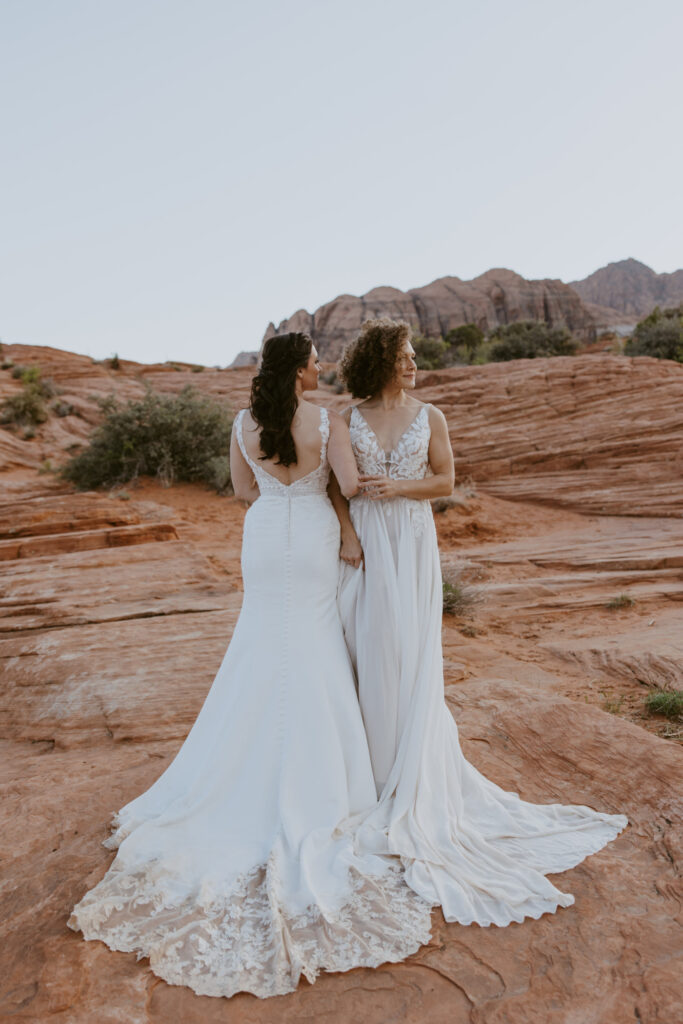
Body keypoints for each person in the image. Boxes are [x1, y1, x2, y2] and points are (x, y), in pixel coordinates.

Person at [68, 332, 431, 999]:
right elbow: (347, 485)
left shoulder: (243, 422)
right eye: (315, 359)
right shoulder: (326, 420)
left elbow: (241, 491)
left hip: (264, 536)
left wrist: (282, 491)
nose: (321, 366)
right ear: (300, 371)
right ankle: (325, 784)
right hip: (314, 538)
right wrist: (358, 521)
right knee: (315, 646)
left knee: (260, 642)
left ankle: (238, 769)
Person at [332, 317, 629, 927]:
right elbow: (335, 488)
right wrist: (346, 532)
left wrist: (402, 487)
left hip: (411, 538)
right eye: (405, 355)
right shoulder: (346, 416)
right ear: (380, 359)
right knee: (365, 645)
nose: (414, 363)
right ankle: (365, 775)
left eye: (415, 354)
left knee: (409, 647)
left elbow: (445, 479)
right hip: (365, 539)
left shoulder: (431, 415)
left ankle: (408, 774)